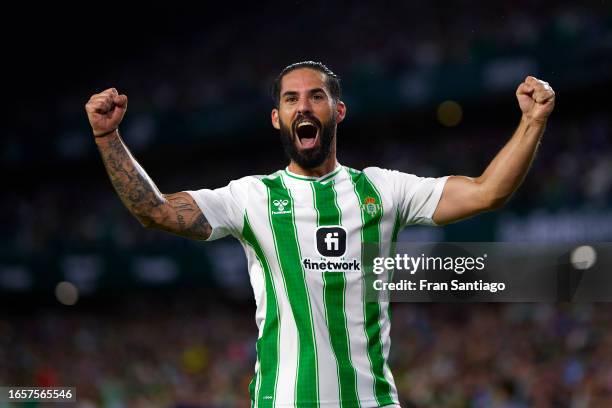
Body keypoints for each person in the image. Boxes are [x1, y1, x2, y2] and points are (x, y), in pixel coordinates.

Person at [85, 61, 555, 407]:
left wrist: (532, 122)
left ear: (338, 110)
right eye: (290, 99)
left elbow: (487, 192)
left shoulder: (382, 189)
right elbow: (157, 211)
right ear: (277, 118)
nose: (302, 106)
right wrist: (109, 139)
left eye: (316, 96)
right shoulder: (253, 197)